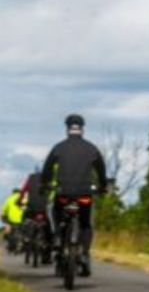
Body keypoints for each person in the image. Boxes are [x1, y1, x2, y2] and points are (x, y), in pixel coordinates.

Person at [41, 114, 108, 276]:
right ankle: (84, 253)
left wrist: (45, 184)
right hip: (85, 194)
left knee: (56, 214)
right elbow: (101, 170)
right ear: (82, 129)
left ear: (67, 128)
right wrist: (103, 186)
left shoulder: (58, 147)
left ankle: (57, 238)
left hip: (63, 192)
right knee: (86, 224)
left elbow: (47, 169)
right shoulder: (92, 148)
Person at [21, 168, 53, 263]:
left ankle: (25, 237)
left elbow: (23, 191)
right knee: (49, 227)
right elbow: (51, 191)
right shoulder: (47, 179)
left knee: (24, 219)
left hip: (31, 208)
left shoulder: (30, 178)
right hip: (43, 208)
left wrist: (19, 201)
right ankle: (47, 248)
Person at [1, 187, 25, 252]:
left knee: (8, 231)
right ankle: (21, 244)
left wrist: (3, 217)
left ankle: (9, 244)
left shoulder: (9, 199)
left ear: (13, 193)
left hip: (11, 220)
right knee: (22, 232)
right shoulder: (23, 198)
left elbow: (4, 210)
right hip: (22, 219)